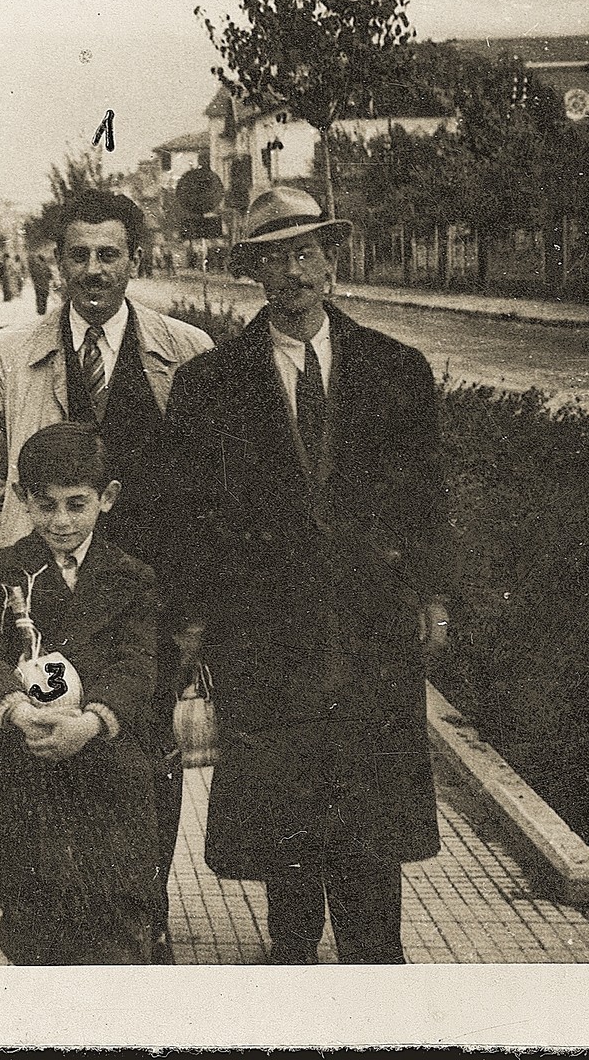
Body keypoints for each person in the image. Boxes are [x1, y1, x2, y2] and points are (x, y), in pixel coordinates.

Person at [161, 185, 457, 964]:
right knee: (284, 796)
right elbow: (192, 516)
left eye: (304, 253)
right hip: (266, 627)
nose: (291, 273)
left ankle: (373, 953)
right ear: (254, 273)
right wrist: (194, 620)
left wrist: (430, 593)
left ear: (330, 261)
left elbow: (426, 494)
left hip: (368, 622)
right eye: (273, 258)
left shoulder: (397, 371)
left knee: (369, 791)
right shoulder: (210, 387)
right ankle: (289, 950)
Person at [0, 187, 212, 960]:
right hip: (45, 611)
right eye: (78, 255)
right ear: (55, 262)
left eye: (109, 254)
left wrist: (195, 606)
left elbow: (209, 491)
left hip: (147, 607)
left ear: (136, 258)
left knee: (144, 756)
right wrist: (15, 575)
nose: (93, 270)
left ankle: (142, 910)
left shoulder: (186, 353)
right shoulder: (9, 358)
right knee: (42, 767)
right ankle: (49, 913)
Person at [0, 422, 162, 965]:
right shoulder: (2, 572)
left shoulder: (132, 577)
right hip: (22, 772)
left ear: (107, 499)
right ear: (23, 500)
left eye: (77, 504)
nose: (62, 521)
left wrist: (93, 721)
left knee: (113, 920)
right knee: (30, 922)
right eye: (45, 505)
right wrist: (16, 709)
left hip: (108, 769)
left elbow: (140, 663)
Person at [27, 251, 53, 316]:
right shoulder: (46, 266)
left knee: (39, 297)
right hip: (45, 284)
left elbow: (33, 275)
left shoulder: (37, 267)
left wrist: (35, 281)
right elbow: (50, 275)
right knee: (44, 297)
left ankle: (40, 310)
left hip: (38, 284)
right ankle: (43, 310)